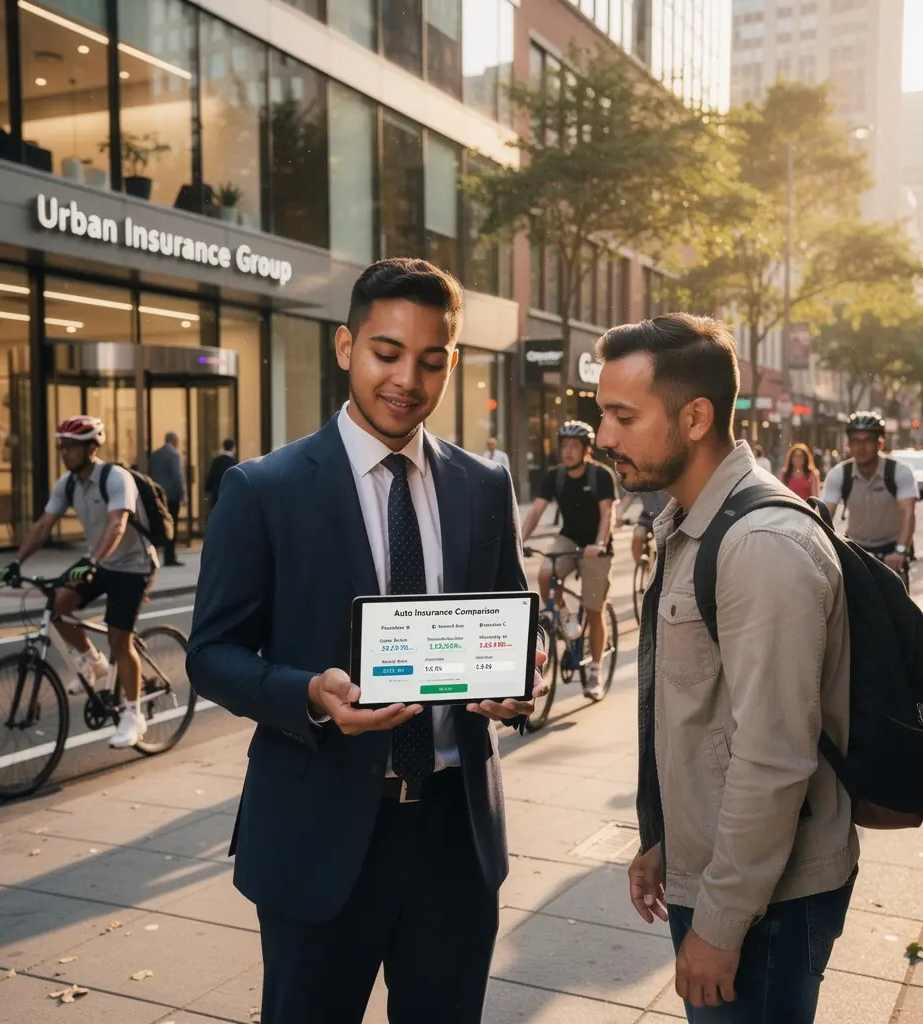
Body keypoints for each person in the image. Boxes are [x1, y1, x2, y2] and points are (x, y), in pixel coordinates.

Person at [186, 258, 547, 1024]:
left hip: (456, 835)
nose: (407, 380)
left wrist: (519, 685)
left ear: (452, 362)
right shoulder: (264, 489)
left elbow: (513, 624)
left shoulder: (484, 485)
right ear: (346, 346)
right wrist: (307, 695)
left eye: (431, 360)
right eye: (387, 353)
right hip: (318, 833)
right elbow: (211, 653)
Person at [595, 314, 855, 1022]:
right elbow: (700, 721)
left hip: (765, 904)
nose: (604, 437)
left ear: (696, 417)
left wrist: (720, 922)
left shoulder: (760, 546)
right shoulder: (691, 523)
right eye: (602, 415)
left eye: (623, 416)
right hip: (714, 877)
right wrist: (666, 843)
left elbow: (773, 757)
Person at [0, 416, 159, 748]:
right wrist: (16, 562)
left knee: (119, 639)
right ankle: (92, 661)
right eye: (62, 446)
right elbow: (42, 526)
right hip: (99, 561)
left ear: (92, 448)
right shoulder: (67, 484)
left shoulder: (115, 478)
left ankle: (133, 715)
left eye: (71, 446)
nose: (64, 452)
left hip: (133, 565)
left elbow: (116, 526)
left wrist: (92, 562)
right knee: (56, 604)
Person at [519, 420, 616, 700]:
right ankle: (564, 617)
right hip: (569, 539)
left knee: (594, 607)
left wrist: (598, 544)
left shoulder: (600, 476)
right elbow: (536, 512)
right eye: (564, 447)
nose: (568, 452)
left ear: (586, 450)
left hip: (596, 546)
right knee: (545, 573)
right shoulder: (555, 477)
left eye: (574, 447)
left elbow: (607, 514)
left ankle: (596, 672)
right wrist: (520, 540)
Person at [822, 412, 917, 578]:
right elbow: (826, 515)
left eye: (868, 441)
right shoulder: (839, 475)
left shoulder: (898, 472)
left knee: (896, 602)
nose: (861, 447)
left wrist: (900, 551)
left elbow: (908, 513)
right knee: (848, 602)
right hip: (855, 549)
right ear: (848, 443)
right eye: (856, 441)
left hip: (891, 550)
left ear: (879, 444)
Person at [148, 431, 185, 566]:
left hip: (157, 495)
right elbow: (177, 476)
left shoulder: (155, 455)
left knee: (158, 525)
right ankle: (170, 557)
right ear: (174, 441)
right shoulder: (174, 455)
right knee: (171, 526)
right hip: (172, 496)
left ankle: (154, 556)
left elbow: (150, 474)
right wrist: (182, 494)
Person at [204, 438, 237, 511]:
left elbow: (211, 475)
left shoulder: (217, 460)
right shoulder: (233, 462)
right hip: (229, 494)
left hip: (217, 493)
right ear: (233, 447)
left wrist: (207, 489)